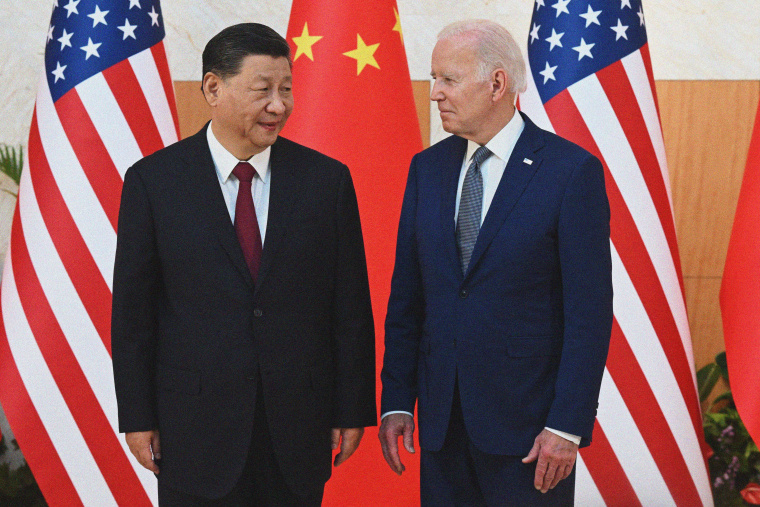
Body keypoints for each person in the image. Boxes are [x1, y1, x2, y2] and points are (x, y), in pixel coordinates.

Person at [112, 22, 376, 506]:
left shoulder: (327, 181)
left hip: (297, 427)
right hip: (193, 430)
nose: (279, 105)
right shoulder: (154, 183)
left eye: (287, 89)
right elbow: (133, 314)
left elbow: (350, 307)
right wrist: (137, 416)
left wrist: (352, 407)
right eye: (263, 90)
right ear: (214, 87)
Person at [378, 19, 613, 506]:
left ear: (498, 83)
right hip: (442, 427)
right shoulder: (427, 169)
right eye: (433, 79)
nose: (435, 94)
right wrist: (397, 400)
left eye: (449, 79)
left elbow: (588, 315)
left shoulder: (570, 173)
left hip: (530, 436)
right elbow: (409, 299)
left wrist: (566, 426)